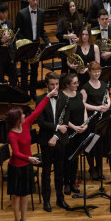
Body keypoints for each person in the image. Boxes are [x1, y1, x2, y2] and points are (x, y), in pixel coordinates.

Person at [6, 85, 58, 221]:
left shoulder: (26, 124)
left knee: (25, 194)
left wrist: (49, 95)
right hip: (16, 167)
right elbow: (15, 153)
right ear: (17, 119)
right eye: (22, 114)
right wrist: (29, 158)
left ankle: (24, 219)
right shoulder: (12, 134)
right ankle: (16, 220)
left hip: (27, 164)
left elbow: (38, 110)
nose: (24, 115)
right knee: (16, 196)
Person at [35, 72, 69, 213]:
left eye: (57, 84)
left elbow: (65, 121)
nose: (55, 87)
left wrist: (55, 136)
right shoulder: (40, 99)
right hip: (46, 140)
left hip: (59, 140)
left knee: (60, 171)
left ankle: (60, 199)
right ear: (46, 85)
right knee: (46, 172)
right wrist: (56, 128)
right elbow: (41, 122)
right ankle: (46, 200)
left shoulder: (64, 98)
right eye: (52, 85)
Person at [15, 0, 51, 99]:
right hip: (26, 46)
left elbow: (42, 31)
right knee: (24, 71)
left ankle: (33, 93)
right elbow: (18, 31)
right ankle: (24, 93)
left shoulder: (41, 12)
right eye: (33, 0)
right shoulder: (22, 13)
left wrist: (48, 41)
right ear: (28, 0)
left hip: (36, 45)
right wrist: (25, 42)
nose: (35, 2)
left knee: (35, 71)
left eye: (37, 0)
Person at [80, 62, 111, 182]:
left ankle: (99, 169)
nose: (97, 73)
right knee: (91, 146)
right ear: (89, 72)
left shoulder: (103, 84)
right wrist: (97, 108)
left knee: (100, 145)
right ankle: (92, 169)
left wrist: (107, 105)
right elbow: (83, 104)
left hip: (103, 118)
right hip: (92, 119)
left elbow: (108, 98)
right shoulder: (85, 87)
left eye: (98, 71)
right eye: (94, 71)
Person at [62, 73, 88, 196]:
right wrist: (74, 127)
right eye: (74, 83)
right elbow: (62, 117)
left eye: (78, 82)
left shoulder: (78, 94)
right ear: (67, 85)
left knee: (76, 157)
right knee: (67, 157)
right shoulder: (62, 97)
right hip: (69, 131)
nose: (77, 85)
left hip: (80, 130)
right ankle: (66, 182)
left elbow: (84, 109)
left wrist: (86, 124)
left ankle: (72, 182)